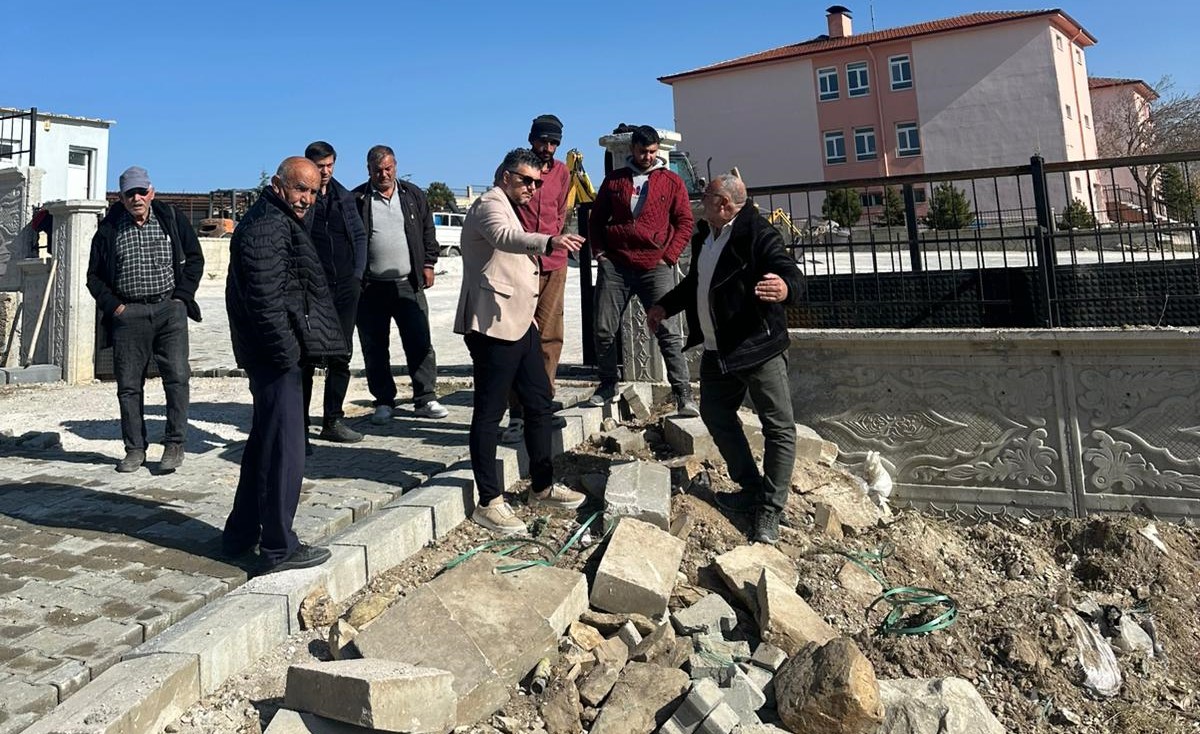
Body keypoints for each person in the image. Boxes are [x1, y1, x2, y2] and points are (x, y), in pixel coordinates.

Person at [648, 174, 804, 545]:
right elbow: (696, 283)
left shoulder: (757, 234)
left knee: (779, 428)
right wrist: (665, 306)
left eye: (705, 195)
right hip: (718, 349)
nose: (699, 200)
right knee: (716, 413)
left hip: (757, 348)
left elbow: (789, 272)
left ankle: (770, 509)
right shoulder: (706, 234)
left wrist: (786, 288)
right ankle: (751, 488)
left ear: (724, 204)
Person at [455, 148, 588, 534]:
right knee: (489, 413)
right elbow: (504, 237)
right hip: (493, 325)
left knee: (539, 402)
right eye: (526, 180)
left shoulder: (512, 205)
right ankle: (489, 501)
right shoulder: (490, 205)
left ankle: (542, 486)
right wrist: (550, 241)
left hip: (520, 322)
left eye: (537, 182)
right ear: (505, 176)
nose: (533, 187)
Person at [223, 157, 346, 574]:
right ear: (278, 185)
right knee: (284, 451)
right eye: (299, 189)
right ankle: (278, 546)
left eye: (313, 192)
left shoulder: (273, 220)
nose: (306, 199)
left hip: (273, 355)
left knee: (265, 444)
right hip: (274, 357)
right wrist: (287, 354)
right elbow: (265, 302)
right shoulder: (268, 226)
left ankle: (240, 534)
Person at [86, 166, 203, 473]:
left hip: (169, 311)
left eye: (141, 192)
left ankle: (175, 444)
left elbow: (194, 259)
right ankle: (134, 449)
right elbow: (94, 277)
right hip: (129, 316)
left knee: (177, 378)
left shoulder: (171, 219)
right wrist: (116, 308)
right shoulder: (109, 230)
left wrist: (182, 298)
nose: (136, 198)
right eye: (130, 194)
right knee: (128, 386)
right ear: (121, 197)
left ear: (151, 192)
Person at [587, 125, 697, 415]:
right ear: (632, 149)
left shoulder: (672, 181)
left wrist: (669, 257)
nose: (647, 156)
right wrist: (600, 254)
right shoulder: (615, 180)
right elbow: (596, 220)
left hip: (655, 265)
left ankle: (683, 394)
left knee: (668, 330)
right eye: (642, 151)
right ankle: (607, 384)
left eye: (652, 151)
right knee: (603, 327)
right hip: (617, 264)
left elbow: (685, 222)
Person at [352, 145, 448, 424]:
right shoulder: (356, 199)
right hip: (370, 288)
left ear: (395, 166)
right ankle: (384, 401)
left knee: (420, 342)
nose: (383, 174)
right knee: (374, 346)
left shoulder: (413, 195)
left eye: (388, 169)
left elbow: (428, 232)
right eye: (377, 170)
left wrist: (428, 264)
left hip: (408, 284)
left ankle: (425, 398)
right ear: (368, 170)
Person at [503, 114, 572, 444]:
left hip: (554, 264)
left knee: (549, 337)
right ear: (532, 139)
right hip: (521, 263)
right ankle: (516, 413)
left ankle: (541, 406)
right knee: (518, 337)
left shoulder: (563, 172)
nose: (548, 147)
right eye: (543, 140)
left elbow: (561, 212)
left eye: (554, 142)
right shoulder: (515, 168)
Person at [302, 141, 368, 445]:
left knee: (341, 356)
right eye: (320, 166)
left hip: (345, 288)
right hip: (311, 291)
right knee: (306, 358)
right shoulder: (302, 198)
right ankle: (299, 424)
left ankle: (333, 420)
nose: (326, 171)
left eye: (330, 165)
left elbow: (360, 237)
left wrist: (357, 275)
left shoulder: (345, 197)